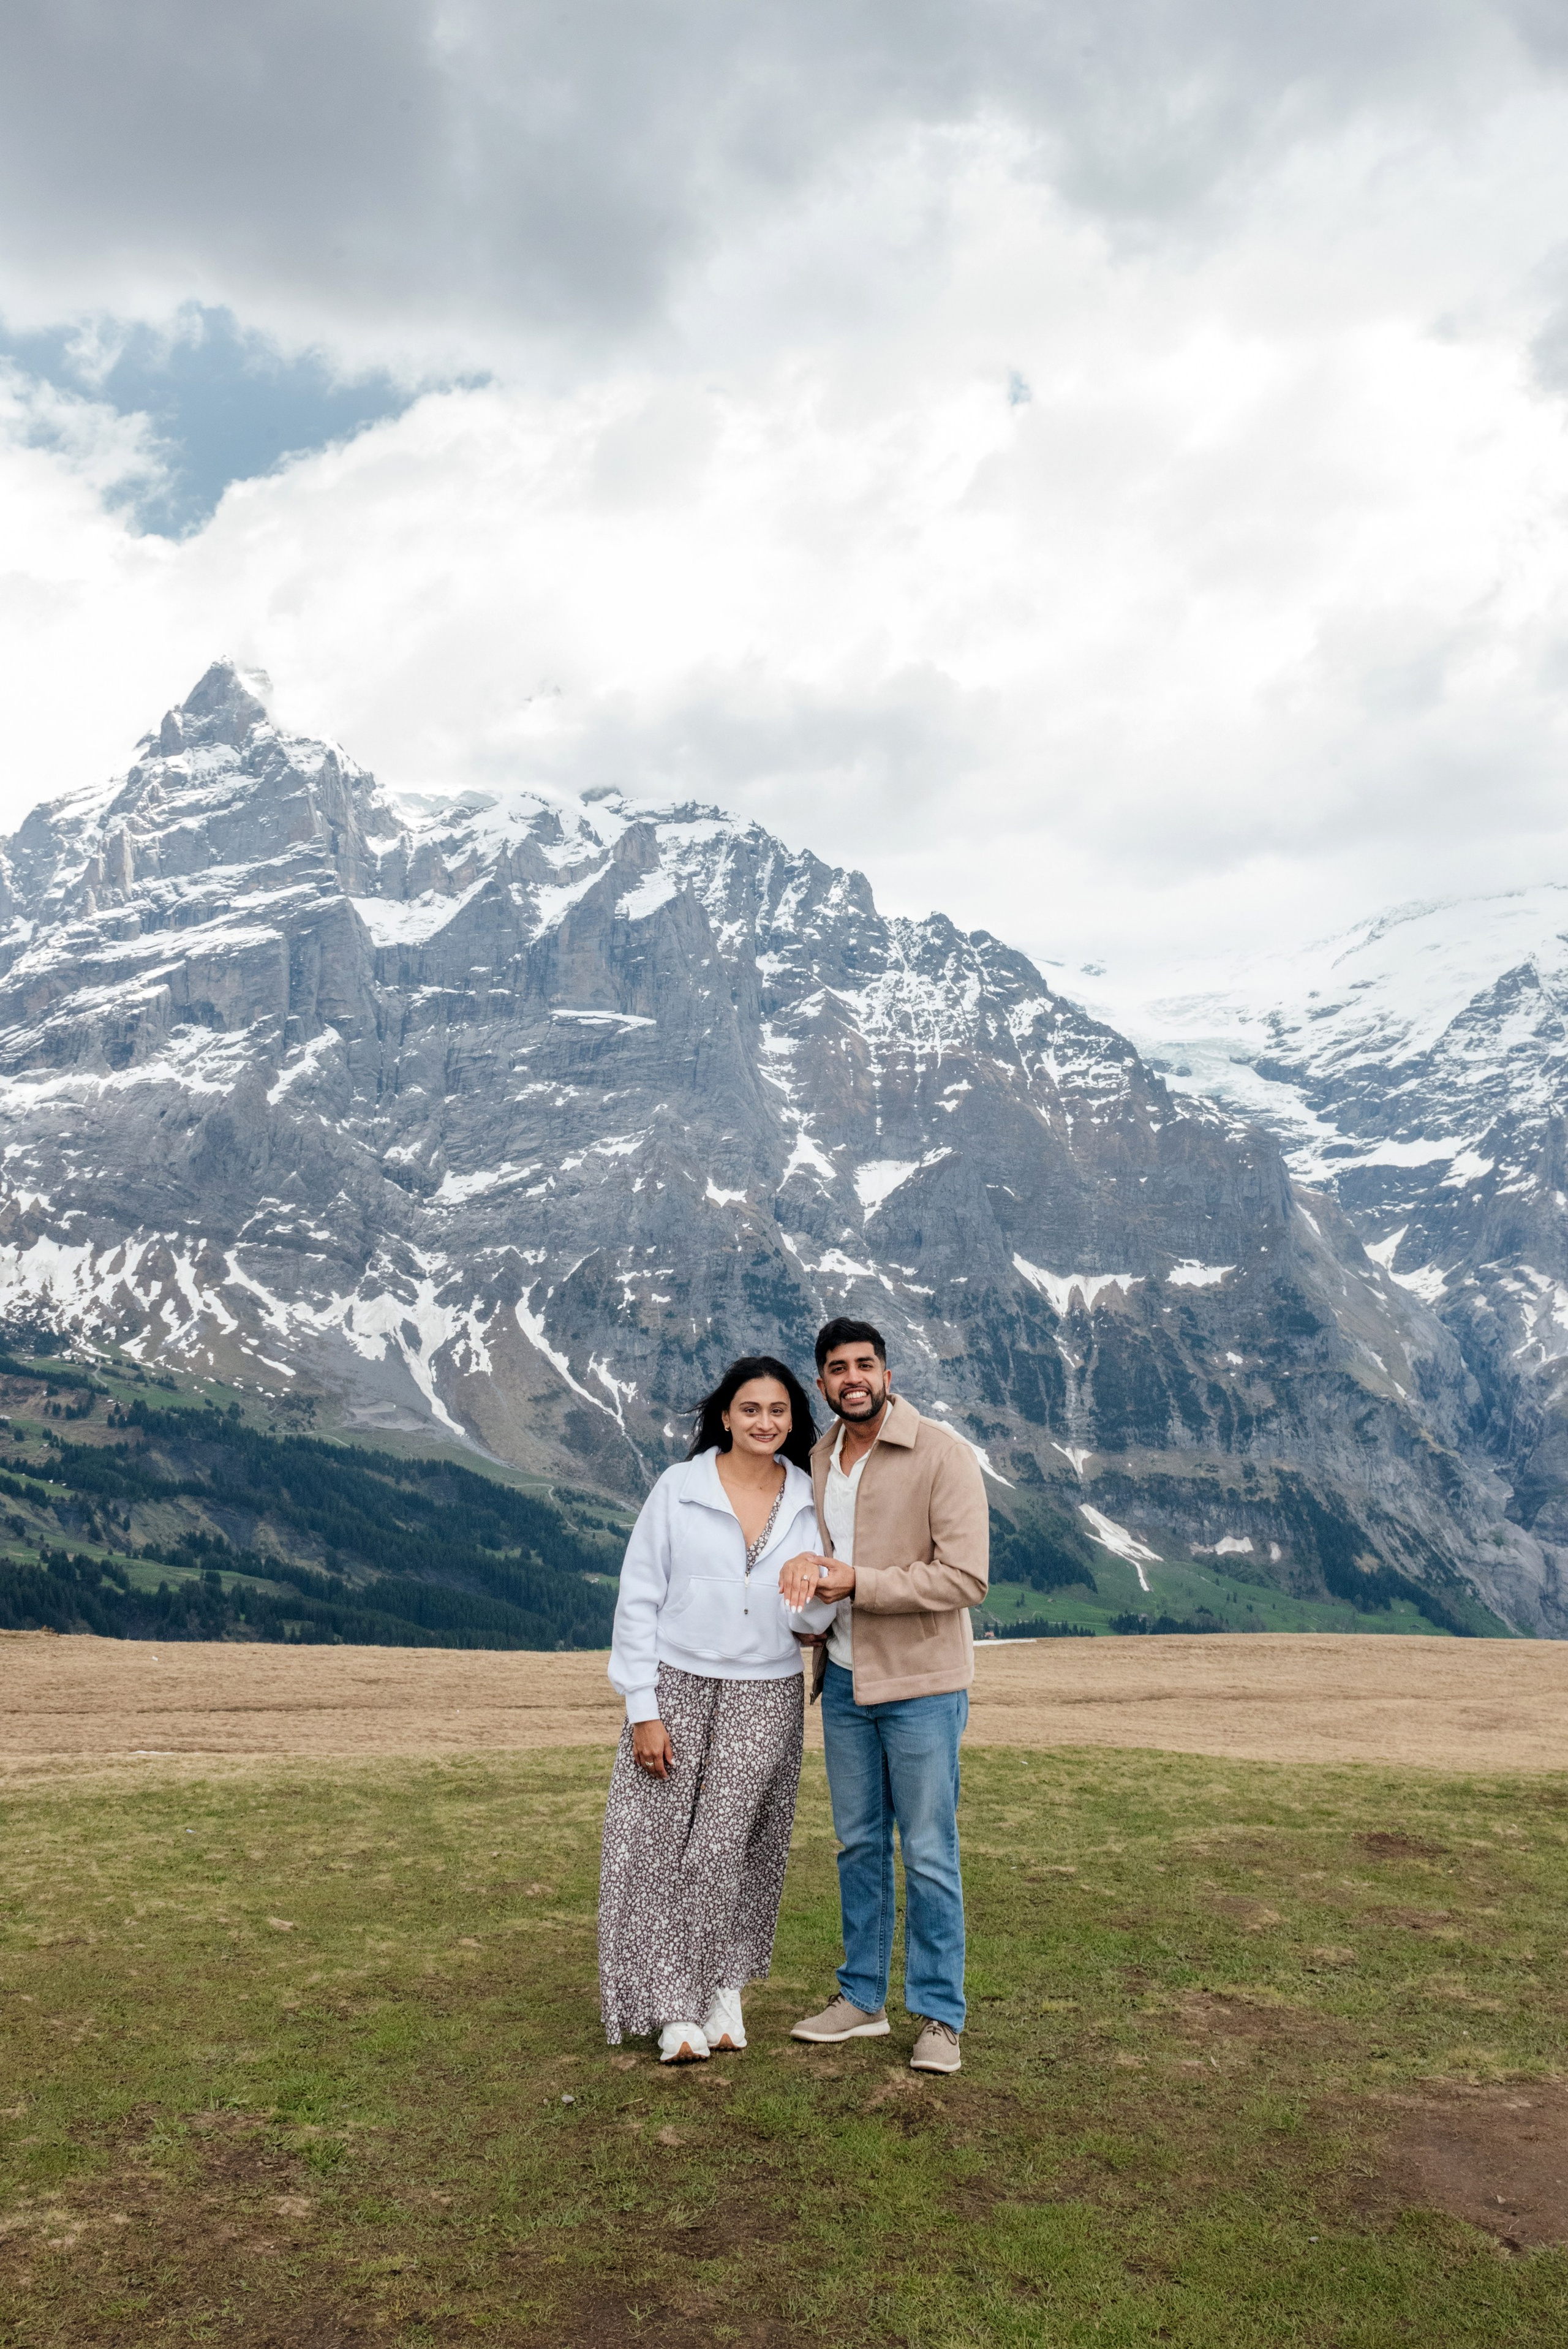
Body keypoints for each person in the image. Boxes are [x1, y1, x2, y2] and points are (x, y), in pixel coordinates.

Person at [777, 1318, 989, 2075]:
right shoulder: (816, 1459)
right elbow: (817, 1570)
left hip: (923, 1687)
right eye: (837, 1367)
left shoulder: (941, 1453)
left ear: (887, 1374)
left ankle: (939, 2017)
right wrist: (810, 1621)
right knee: (858, 1846)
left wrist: (859, 1583)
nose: (852, 1377)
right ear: (823, 1383)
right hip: (841, 1684)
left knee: (930, 1851)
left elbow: (965, 1578)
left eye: (865, 1364)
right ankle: (862, 1998)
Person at [598, 1354, 822, 2064]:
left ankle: (722, 1987)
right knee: (658, 1846)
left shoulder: (809, 1497)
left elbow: (817, 1619)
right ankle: (673, 2009)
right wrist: (643, 1708)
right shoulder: (680, 1486)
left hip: (769, 1687)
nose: (765, 1422)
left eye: (778, 1411)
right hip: (676, 1683)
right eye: (751, 1409)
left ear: (793, 1421)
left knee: (734, 1845)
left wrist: (814, 1580)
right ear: (724, 1415)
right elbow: (638, 1598)